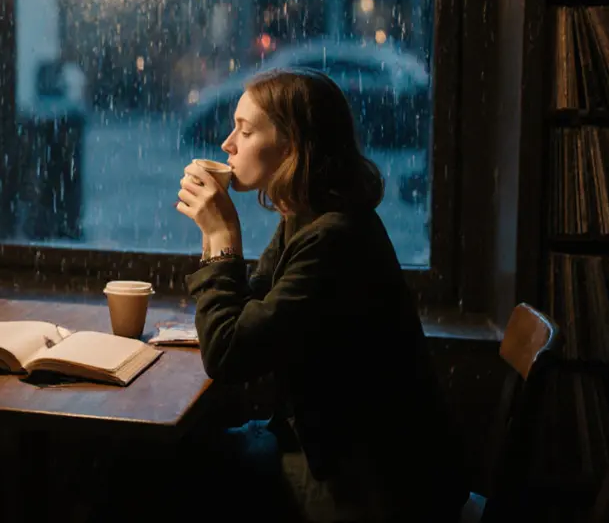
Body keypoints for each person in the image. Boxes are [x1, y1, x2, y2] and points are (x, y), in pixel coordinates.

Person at [171, 67, 469, 522]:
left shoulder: (334, 238)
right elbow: (250, 312)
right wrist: (214, 240)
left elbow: (230, 354)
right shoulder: (307, 215)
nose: (228, 144)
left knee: (159, 470)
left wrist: (223, 235)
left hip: (370, 482)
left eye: (245, 130)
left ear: (292, 145)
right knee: (173, 458)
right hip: (340, 449)